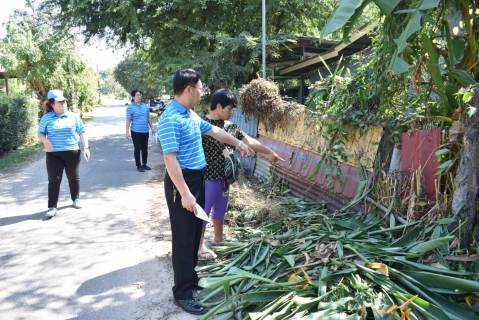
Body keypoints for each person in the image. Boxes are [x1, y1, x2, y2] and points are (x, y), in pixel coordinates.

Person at [157, 69, 253, 315]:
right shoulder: (170, 118)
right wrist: (186, 193)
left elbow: (215, 131)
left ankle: (189, 279)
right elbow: (170, 160)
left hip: (197, 178)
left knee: (195, 230)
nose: (202, 92)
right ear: (189, 89)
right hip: (183, 183)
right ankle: (182, 293)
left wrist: (239, 144)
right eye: (200, 88)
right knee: (184, 236)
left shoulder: (189, 114)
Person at [197, 89, 284, 259]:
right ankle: (199, 246)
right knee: (203, 213)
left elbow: (249, 142)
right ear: (219, 106)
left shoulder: (231, 127)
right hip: (206, 178)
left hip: (225, 179)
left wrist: (269, 152)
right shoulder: (202, 125)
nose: (231, 113)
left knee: (220, 210)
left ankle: (218, 239)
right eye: (229, 109)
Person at [37, 89, 91, 218]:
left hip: (72, 152)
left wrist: (86, 147)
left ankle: (75, 198)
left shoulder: (73, 116)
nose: (63, 103)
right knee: (54, 179)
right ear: (51, 104)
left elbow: (82, 131)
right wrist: (44, 140)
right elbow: (40, 133)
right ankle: (52, 207)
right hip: (53, 154)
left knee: (73, 176)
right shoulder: (46, 118)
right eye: (60, 101)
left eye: (64, 101)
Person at [125, 90, 155, 172]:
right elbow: (128, 120)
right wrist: (127, 132)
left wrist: (152, 127)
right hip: (135, 131)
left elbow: (148, 117)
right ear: (133, 97)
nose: (140, 96)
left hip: (145, 130)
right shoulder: (130, 108)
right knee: (137, 148)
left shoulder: (145, 106)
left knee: (145, 147)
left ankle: (144, 164)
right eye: (138, 95)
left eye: (140, 95)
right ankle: (138, 165)